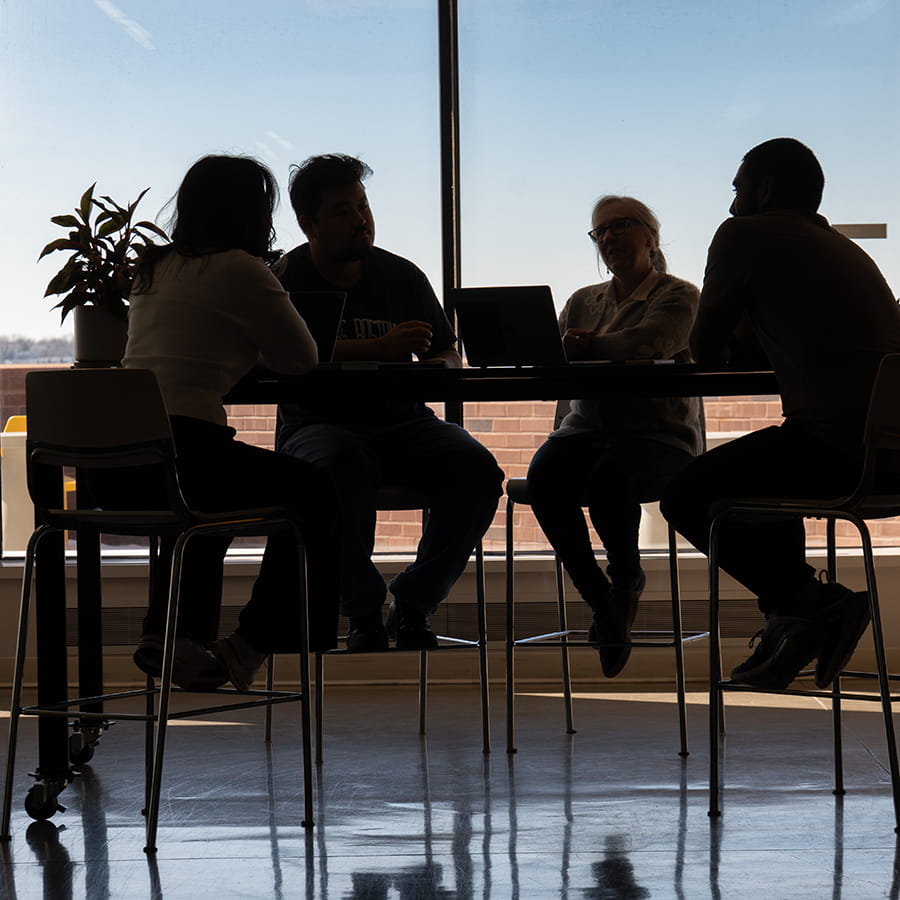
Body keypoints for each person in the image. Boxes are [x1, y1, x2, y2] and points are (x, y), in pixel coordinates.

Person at [661, 137, 900, 690]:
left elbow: (705, 348)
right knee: (767, 467)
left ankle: (815, 606)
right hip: (889, 455)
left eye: (738, 189)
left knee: (684, 495)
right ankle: (791, 625)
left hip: (837, 451)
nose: (730, 205)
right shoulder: (840, 247)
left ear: (765, 189)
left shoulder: (743, 234)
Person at [122, 154, 341, 691]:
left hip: (125, 455)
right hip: (189, 447)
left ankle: (171, 632)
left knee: (207, 506)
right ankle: (252, 643)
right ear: (252, 212)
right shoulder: (241, 269)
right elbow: (302, 359)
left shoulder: (153, 266)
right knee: (316, 493)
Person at [273, 153, 504, 652]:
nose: (361, 220)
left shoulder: (402, 277)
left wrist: (438, 368)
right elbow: (274, 359)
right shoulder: (285, 278)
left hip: (404, 423)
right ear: (307, 223)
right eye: (342, 211)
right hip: (316, 424)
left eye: (363, 205)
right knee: (339, 467)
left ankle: (414, 604)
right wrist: (378, 350)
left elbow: (447, 351)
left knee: (478, 471)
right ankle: (361, 611)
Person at [526, 196, 704, 677]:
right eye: (600, 232)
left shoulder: (680, 295)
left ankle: (626, 580)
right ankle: (604, 601)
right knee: (542, 478)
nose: (607, 238)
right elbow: (553, 360)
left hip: (657, 436)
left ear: (651, 236)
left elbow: (650, 342)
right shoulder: (584, 300)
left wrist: (588, 348)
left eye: (619, 227)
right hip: (585, 431)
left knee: (612, 478)